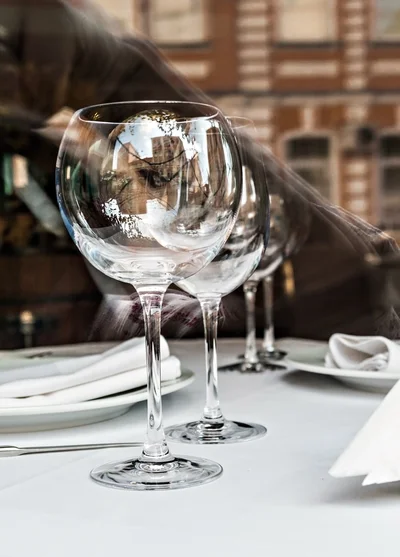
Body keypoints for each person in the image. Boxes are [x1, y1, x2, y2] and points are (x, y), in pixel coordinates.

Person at [0, 0, 399, 342]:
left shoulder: (56, 170)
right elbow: (351, 297)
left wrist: (116, 78)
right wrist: (116, 77)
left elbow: (351, 299)